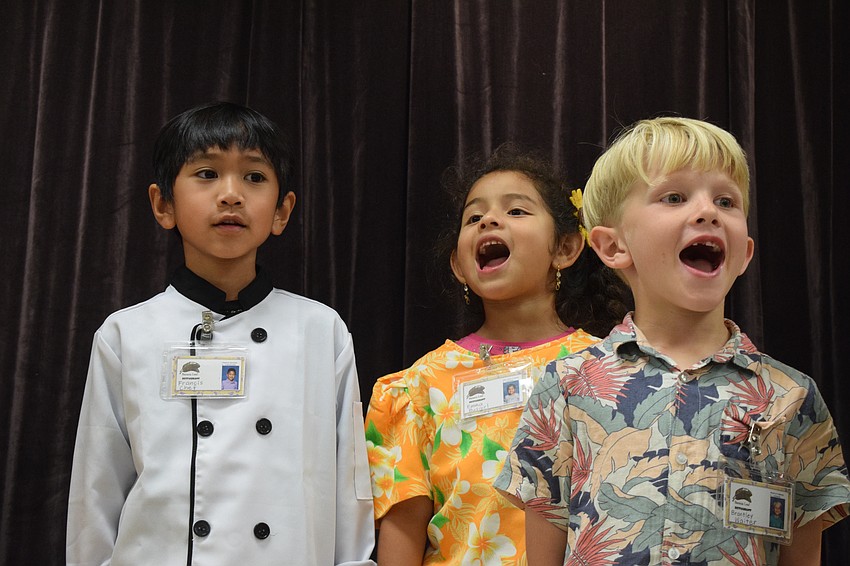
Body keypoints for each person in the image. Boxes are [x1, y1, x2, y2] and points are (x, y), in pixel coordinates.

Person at [495, 117, 850, 565]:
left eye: (726, 200)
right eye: (674, 197)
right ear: (613, 246)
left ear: (744, 253)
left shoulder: (793, 397)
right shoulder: (566, 387)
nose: (708, 212)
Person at [67, 102, 375, 565]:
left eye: (254, 177)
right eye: (207, 174)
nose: (231, 195)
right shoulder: (126, 334)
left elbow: (351, 490)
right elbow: (96, 493)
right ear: (162, 205)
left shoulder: (321, 330)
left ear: (281, 211)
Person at [365, 144, 630, 564]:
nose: (489, 219)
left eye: (516, 211)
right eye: (474, 217)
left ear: (565, 248)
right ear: (458, 265)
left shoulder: (608, 370)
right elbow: (403, 534)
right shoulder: (416, 388)